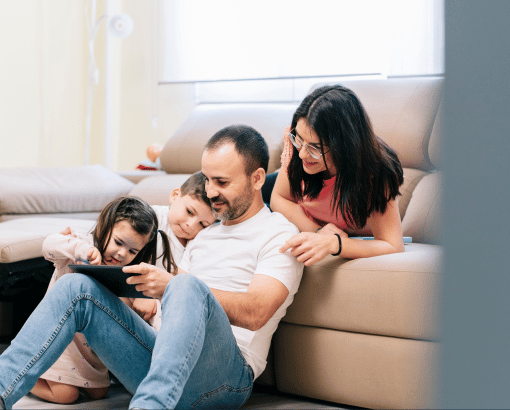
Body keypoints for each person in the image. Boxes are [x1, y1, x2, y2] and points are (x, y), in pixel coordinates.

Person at [0, 125, 303, 410]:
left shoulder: (279, 234)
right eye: (207, 180)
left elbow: (256, 313)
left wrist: (171, 286)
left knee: (184, 285)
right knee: (76, 287)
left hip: (225, 379)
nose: (210, 192)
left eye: (222, 182)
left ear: (257, 178)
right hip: (162, 361)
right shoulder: (202, 235)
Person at [29, 196, 175, 404]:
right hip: (63, 341)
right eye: (118, 242)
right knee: (65, 395)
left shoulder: (129, 273)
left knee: (100, 391)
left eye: (133, 250)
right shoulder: (83, 246)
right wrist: (82, 250)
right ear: (105, 227)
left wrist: (149, 302)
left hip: (91, 352)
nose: (122, 253)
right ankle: (26, 376)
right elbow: (48, 245)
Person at [270, 85, 405, 265]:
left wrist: (336, 243)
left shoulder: (378, 172)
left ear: (344, 146)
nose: (302, 154)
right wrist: (319, 232)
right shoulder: (300, 147)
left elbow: (392, 245)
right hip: (276, 188)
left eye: (315, 148)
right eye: (299, 140)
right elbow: (278, 198)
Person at [124, 171, 216, 329]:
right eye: (189, 212)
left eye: (203, 224)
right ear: (175, 196)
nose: (191, 225)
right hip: (131, 291)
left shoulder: (199, 243)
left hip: (164, 305)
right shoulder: (151, 219)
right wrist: (139, 294)